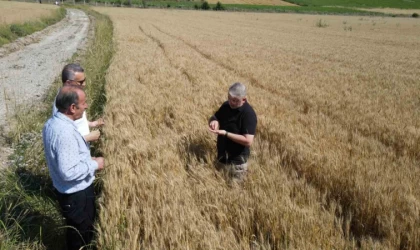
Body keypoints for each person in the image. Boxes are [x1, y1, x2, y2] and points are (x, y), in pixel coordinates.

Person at [43, 86, 105, 250]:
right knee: (81, 237)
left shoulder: (52, 123)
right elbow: (68, 172)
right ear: (72, 107)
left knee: (76, 232)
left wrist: (86, 158)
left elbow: (64, 158)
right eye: (83, 103)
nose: (86, 106)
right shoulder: (65, 133)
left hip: (67, 193)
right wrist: (95, 164)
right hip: (77, 195)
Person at [208, 82, 257, 182]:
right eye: (229, 98)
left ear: (243, 99)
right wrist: (214, 121)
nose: (231, 102)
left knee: (234, 191)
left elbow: (248, 141)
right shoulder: (226, 106)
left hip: (237, 164)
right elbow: (215, 116)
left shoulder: (248, 114)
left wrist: (225, 133)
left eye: (235, 100)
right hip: (221, 158)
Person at [53, 63, 104, 143]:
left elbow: (77, 121)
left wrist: (92, 124)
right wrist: (87, 138)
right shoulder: (62, 104)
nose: (84, 84)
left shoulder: (74, 96)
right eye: (80, 82)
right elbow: (63, 141)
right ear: (68, 83)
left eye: (84, 80)